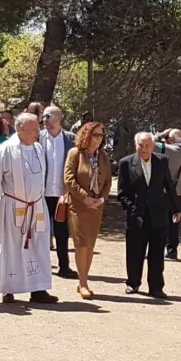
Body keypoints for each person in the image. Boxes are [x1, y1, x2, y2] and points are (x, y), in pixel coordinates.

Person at [0, 113, 59, 304]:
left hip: (36, 207)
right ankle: (7, 288)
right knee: (10, 247)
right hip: (13, 206)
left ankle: (38, 289)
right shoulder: (6, 149)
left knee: (38, 247)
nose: (37, 133)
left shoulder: (38, 148)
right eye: (34, 129)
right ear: (21, 129)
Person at [118, 132, 181, 299]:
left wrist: (176, 208)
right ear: (135, 145)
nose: (144, 149)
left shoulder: (162, 161)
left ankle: (156, 287)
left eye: (147, 145)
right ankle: (133, 283)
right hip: (136, 217)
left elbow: (169, 185)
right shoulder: (126, 163)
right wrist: (132, 210)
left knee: (156, 254)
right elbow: (122, 193)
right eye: (141, 145)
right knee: (134, 253)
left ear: (153, 146)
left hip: (158, 216)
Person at [65, 121, 112, 298]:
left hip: (96, 206)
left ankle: (84, 280)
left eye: (101, 135)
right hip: (78, 205)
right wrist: (85, 197)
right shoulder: (75, 153)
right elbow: (69, 179)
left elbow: (108, 181)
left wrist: (101, 199)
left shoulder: (104, 156)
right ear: (87, 134)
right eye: (95, 134)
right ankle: (82, 282)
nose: (99, 139)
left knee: (90, 244)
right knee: (81, 243)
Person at [40, 105, 77, 278]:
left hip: (63, 194)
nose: (44, 119)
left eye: (48, 116)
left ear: (58, 118)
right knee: (41, 231)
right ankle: (42, 266)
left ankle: (64, 266)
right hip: (41, 194)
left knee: (62, 231)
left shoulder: (70, 139)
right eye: (43, 116)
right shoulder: (37, 137)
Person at [153, 128, 181, 260]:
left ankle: (157, 249)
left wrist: (160, 135)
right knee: (174, 221)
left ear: (171, 140)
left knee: (159, 220)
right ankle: (172, 250)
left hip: (166, 191)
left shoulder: (166, 149)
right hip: (180, 190)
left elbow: (147, 142)